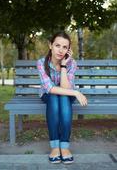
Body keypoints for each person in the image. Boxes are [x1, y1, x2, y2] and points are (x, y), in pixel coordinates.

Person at [36, 31, 87, 164]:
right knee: (53, 97)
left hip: (66, 95)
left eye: (65, 47)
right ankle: (54, 147)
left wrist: (64, 65)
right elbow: (50, 88)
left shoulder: (72, 63)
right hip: (49, 95)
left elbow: (65, 88)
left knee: (63, 98)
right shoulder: (41, 63)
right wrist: (76, 93)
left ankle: (64, 146)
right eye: (57, 45)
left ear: (68, 50)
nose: (61, 50)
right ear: (50, 45)